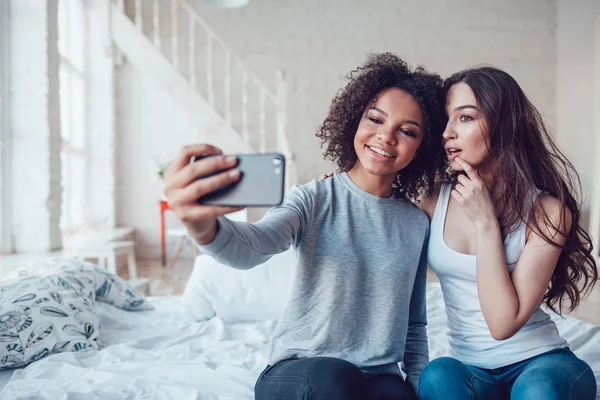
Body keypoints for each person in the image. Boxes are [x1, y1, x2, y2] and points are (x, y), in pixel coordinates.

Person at [163, 53, 447, 400]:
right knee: (337, 379)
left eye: (407, 131)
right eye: (375, 119)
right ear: (355, 123)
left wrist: (416, 387)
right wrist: (204, 227)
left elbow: (415, 324)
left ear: (420, 149)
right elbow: (253, 247)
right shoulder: (313, 198)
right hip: (301, 372)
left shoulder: (416, 224)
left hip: (376, 377)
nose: (386, 137)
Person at [417, 66, 598, 400]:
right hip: (473, 373)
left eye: (465, 118)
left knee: (538, 391)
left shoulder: (548, 212)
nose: (447, 133)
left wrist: (486, 223)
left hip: (541, 365)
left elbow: (503, 324)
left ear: (502, 124)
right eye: (445, 120)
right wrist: (336, 191)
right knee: (436, 375)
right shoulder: (431, 200)